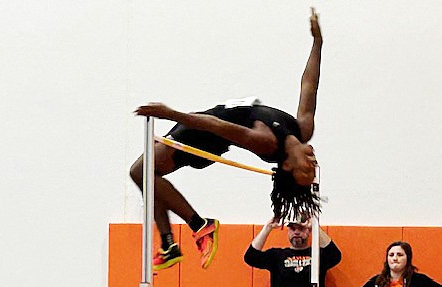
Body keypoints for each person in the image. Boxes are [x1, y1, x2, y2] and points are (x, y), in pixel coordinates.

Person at [130, 10, 323, 271]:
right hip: (203, 128)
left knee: (140, 171)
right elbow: (309, 85)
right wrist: (317, 43)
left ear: (288, 166)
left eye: (305, 169)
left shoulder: (266, 142)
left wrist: (171, 113)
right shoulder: (303, 128)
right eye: (313, 167)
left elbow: (218, 126)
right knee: (145, 174)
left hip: (202, 134)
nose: (312, 161)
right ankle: (168, 244)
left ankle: (200, 226)